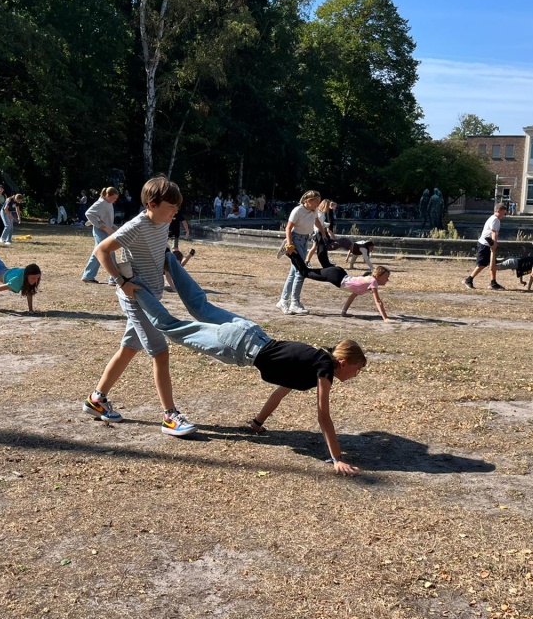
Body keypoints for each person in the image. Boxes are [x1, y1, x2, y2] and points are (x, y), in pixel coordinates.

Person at [133, 250, 365, 476]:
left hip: (250, 330)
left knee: (199, 305)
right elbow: (323, 416)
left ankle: (168, 259)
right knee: (172, 327)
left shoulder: (314, 362)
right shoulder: (324, 370)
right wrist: (337, 458)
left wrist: (257, 423)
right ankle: (130, 283)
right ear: (343, 363)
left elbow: (281, 391)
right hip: (240, 346)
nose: (355, 376)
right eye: (357, 371)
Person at [82, 175, 196, 437]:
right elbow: (102, 250)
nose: (175, 212)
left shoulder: (162, 222)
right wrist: (121, 280)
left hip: (152, 294)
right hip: (137, 298)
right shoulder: (137, 225)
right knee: (160, 351)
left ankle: (96, 400)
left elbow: (159, 250)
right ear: (153, 204)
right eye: (171, 207)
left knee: (129, 348)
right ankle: (170, 416)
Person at [287, 245, 393, 321]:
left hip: (339, 274)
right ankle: (291, 251)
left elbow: (352, 296)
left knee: (307, 271)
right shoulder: (372, 282)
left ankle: (291, 252)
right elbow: (378, 301)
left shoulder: (367, 282)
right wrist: (386, 318)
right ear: (379, 276)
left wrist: (344, 312)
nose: (387, 280)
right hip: (336, 276)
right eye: (386, 277)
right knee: (305, 272)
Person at [276, 190, 327, 316]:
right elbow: (288, 228)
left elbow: (317, 221)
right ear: (308, 201)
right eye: (316, 202)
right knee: (301, 271)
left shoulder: (313, 211)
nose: (318, 204)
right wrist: (289, 244)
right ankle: (294, 302)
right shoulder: (298, 211)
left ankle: (283, 300)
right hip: (295, 239)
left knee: (294, 271)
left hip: (305, 240)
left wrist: (323, 233)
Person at [464, 203, 508, 290]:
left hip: (488, 244)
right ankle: (469, 280)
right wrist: (494, 244)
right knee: (482, 264)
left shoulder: (494, 218)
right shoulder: (495, 219)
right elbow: (494, 232)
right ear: (498, 211)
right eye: (504, 212)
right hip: (485, 244)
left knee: (493, 264)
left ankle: (493, 283)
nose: (504, 215)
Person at [82, 186, 119, 283]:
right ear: (107, 195)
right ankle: (114, 278)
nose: (115, 200)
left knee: (98, 252)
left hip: (106, 231)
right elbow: (89, 213)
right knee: (109, 251)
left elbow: (105, 218)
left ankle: (88, 275)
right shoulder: (101, 203)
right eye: (114, 197)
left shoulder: (108, 203)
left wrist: (113, 226)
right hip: (100, 232)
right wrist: (101, 225)